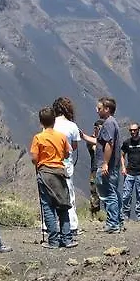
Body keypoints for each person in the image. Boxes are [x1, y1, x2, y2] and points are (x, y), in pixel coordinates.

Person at [30, 106, 76, 248]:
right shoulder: (61, 136)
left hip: (44, 173)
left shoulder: (38, 138)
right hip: (60, 172)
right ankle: (67, 239)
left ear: (41, 122)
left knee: (48, 207)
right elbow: (68, 153)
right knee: (63, 205)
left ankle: (53, 241)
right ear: (54, 121)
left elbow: (34, 158)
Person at [80, 96, 122, 233]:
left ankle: (113, 223)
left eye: (99, 108)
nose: (97, 111)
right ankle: (118, 220)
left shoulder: (108, 124)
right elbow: (100, 141)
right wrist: (84, 137)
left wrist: (105, 163)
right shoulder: (112, 122)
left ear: (107, 109)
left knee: (108, 194)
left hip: (107, 167)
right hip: (112, 166)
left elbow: (109, 143)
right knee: (114, 193)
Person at [51, 96, 82, 235]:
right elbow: (74, 147)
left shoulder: (51, 125)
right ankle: (72, 225)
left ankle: (52, 225)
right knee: (69, 193)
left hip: (52, 162)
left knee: (52, 194)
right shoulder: (72, 126)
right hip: (67, 163)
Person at [87, 119, 104, 219]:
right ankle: (94, 214)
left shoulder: (105, 139)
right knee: (94, 192)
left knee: (106, 192)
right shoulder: (91, 140)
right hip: (95, 169)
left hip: (104, 168)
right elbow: (96, 149)